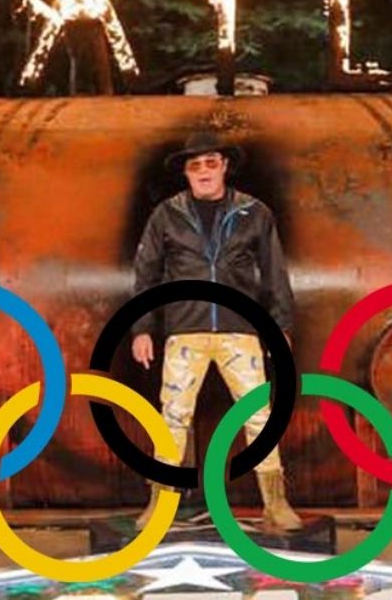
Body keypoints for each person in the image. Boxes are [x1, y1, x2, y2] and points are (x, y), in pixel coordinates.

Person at [129, 132, 301, 532]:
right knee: (173, 417)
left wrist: (281, 325)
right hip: (184, 330)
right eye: (195, 166)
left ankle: (276, 505)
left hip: (240, 330)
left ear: (224, 166)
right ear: (186, 173)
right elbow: (146, 274)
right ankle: (159, 505)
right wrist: (142, 328)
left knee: (259, 416)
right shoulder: (166, 215)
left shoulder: (254, 212)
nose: (203, 171)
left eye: (210, 163)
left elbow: (275, 272)